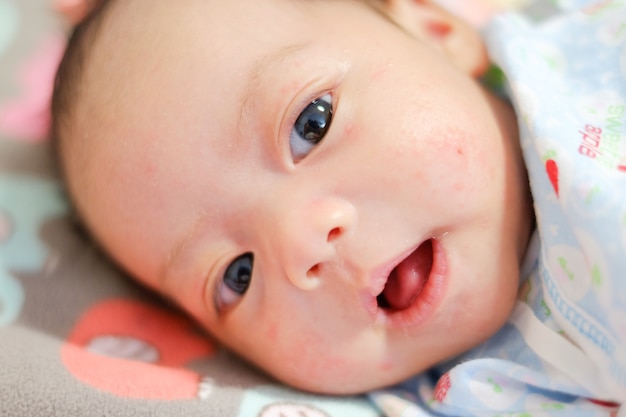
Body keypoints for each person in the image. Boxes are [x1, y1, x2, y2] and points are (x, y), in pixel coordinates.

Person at [50, 0, 625, 415]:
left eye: (311, 124)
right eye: (237, 275)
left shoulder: (597, 64)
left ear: (436, 28)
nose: (302, 245)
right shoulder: (446, 401)